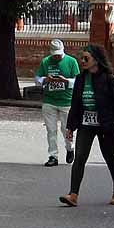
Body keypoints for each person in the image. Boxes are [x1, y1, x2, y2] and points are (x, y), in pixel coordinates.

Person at [58, 44, 114, 207]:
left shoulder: (109, 79)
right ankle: (73, 194)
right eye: (81, 58)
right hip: (86, 124)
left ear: (97, 60)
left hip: (106, 124)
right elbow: (75, 104)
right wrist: (70, 127)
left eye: (86, 58)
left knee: (109, 157)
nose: (82, 61)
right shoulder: (81, 79)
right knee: (80, 157)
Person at [35, 38, 79, 167]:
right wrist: (45, 79)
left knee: (67, 129)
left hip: (66, 101)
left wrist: (66, 81)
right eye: (55, 55)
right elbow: (37, 78)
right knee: (51, 129)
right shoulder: (46, 62)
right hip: (49, 101)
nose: (57, 57)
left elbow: (78, 81)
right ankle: (53, 155)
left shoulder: (71, 62)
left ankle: (70, 148)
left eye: (59, 54)